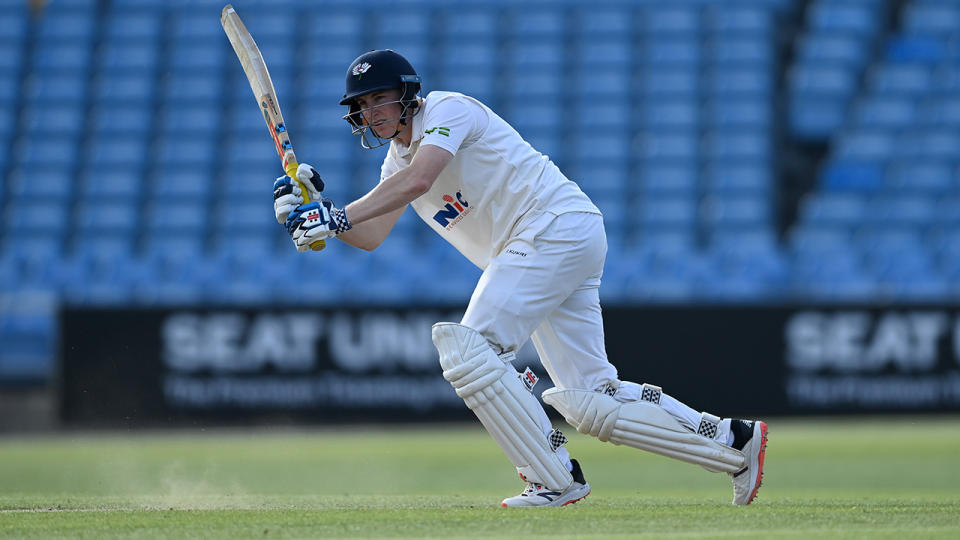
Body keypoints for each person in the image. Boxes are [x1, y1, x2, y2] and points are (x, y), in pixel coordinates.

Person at [273, 49, 768, 508]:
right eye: (363, 103)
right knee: (593, 397)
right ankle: (734, 440)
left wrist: (333, 217)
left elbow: (421, 180)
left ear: (408, 95)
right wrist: (319, 210)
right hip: (556, 241)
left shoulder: (448, 110)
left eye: (382, 97)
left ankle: (554, 478)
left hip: (548, 229)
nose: (374, 110)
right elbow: (371, 234)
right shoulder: (394, 163)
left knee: (470, 349)